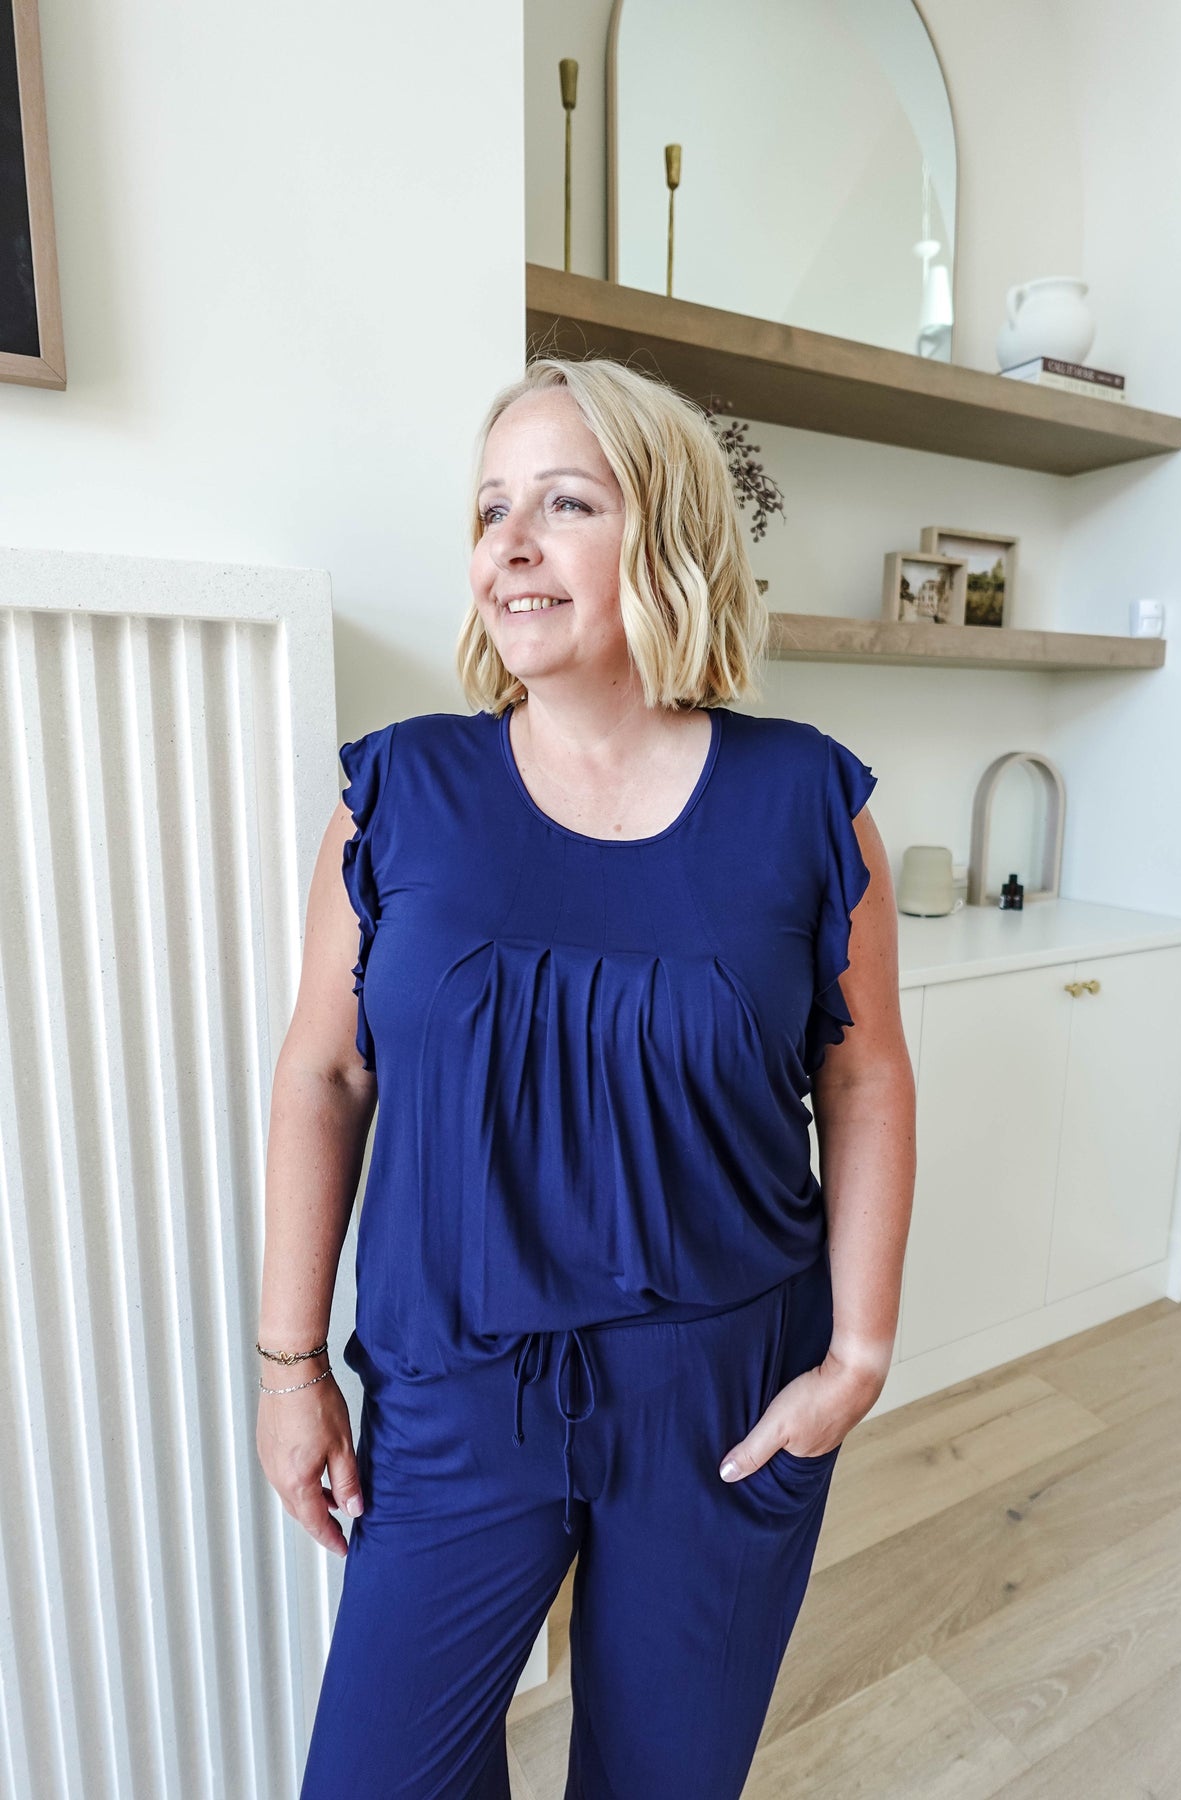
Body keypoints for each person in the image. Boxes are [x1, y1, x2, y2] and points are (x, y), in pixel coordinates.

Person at [257, 354, 916, 1799]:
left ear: (669, 535)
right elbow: (325, 1076)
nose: (509, 541)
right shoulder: (399, 796)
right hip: (453, 1388)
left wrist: (858, 1355)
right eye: (491, 507)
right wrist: (288, 1365)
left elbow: (862, 1079)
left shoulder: (808, 802)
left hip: (724, 1395)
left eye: (565, 501)